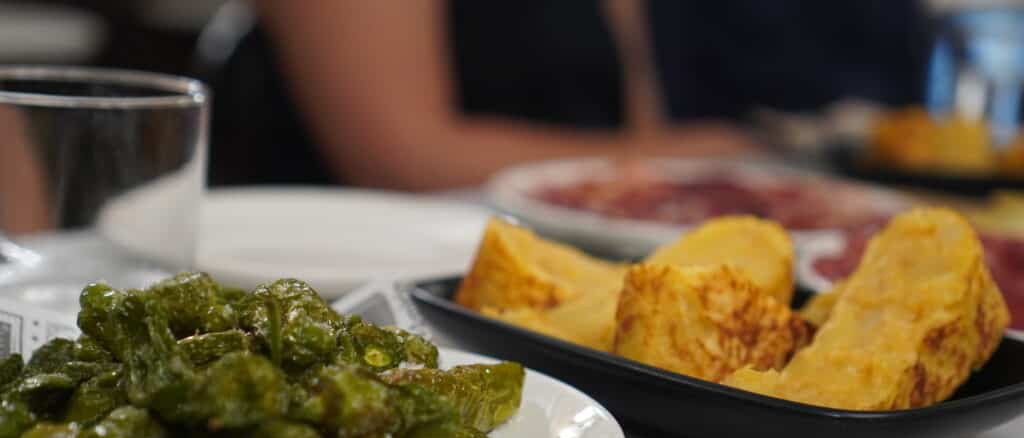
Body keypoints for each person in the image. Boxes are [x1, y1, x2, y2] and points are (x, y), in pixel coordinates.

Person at [225, 1, 927, 190]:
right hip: (322, 294)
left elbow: (632, 125)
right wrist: (709, 155)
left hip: (519, 290)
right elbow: (401, 156)